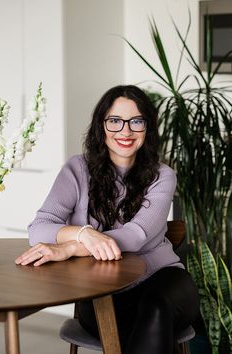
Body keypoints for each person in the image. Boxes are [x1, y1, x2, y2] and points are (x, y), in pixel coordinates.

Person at [15, 85, 199, 354]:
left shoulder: (163, 175)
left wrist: (69, 247)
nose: (125, 131)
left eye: (136, 121)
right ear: (101, 127)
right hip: (101, 292)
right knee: (144, 329)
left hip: (163, 282)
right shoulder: (77, 169)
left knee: (155, 311)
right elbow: (39, 229)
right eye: (115, 121)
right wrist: (84, 234)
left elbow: (136, 236)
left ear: (147, 128)